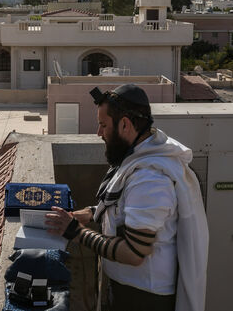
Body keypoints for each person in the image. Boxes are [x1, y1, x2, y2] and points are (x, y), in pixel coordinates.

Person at [45, 84, 209, 311]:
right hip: (131, 288)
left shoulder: (150, 180)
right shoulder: (140, 155)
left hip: (143, 297)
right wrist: (91, 213)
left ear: (125, 124)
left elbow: (134, 253)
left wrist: (75, 231)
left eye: (103, 125)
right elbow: (123, 205)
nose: (99, 133)